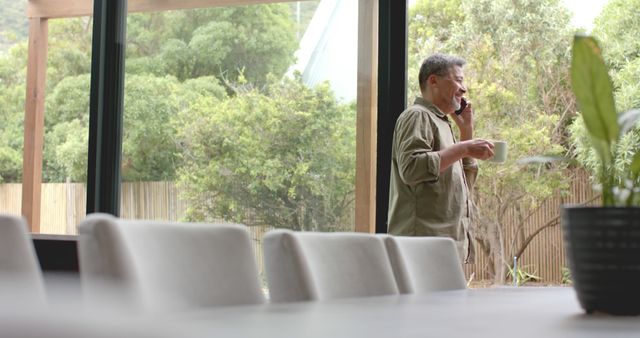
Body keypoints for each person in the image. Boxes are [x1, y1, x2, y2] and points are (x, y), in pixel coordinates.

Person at [387, 53, 494, 263]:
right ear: (433, 81)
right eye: (458, 80)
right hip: (421, 249)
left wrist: (466, 133)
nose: (464, 89)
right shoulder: (417, 115)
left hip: (444, 250)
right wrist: (464, 148)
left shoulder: (442, 124)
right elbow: (411, 169)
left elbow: (462, 190)